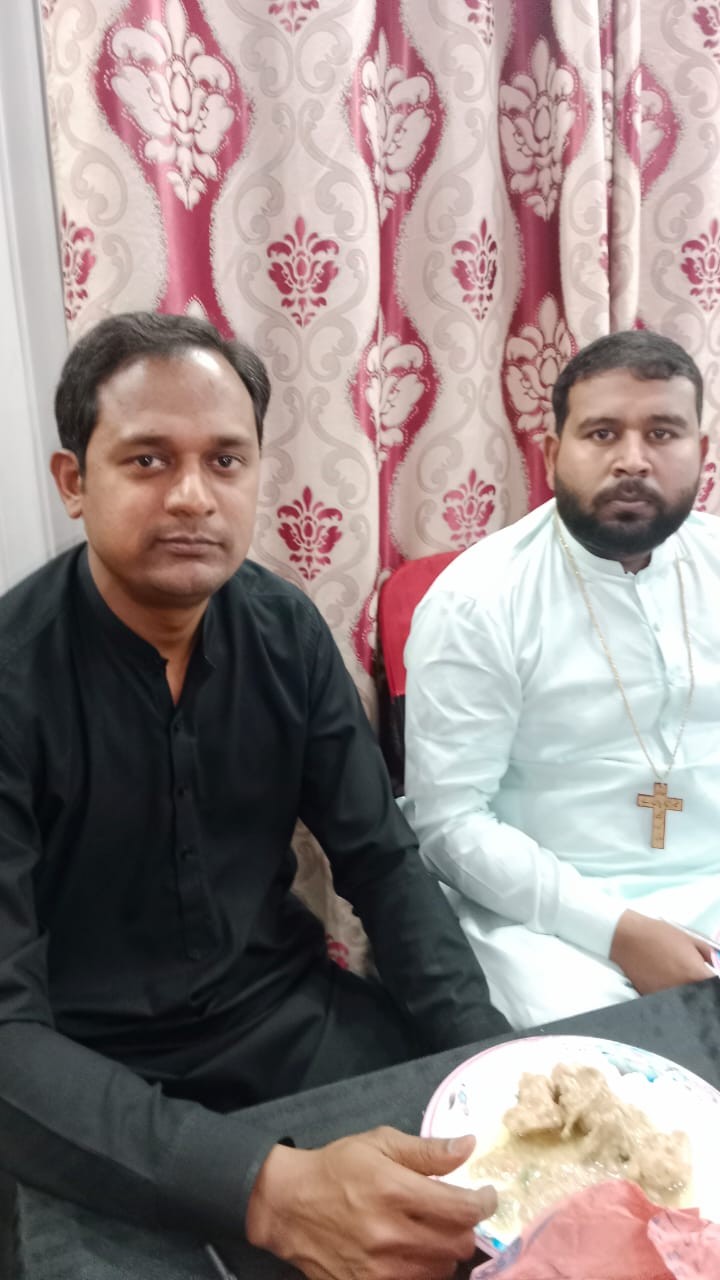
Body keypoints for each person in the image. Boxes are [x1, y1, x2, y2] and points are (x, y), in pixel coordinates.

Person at [0, 312, 509, 1280]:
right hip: (86, 1070)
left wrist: (489, 1063)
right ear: (74, 481)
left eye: (226, 461)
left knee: (483, 1224)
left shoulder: (286, 631)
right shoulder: (14, 677)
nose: (193, 495)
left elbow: (383, 864)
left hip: (286, 1020)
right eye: (148, 460)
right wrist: (264, 1190)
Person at [403, 329, 720, 1030]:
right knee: (608, 1062)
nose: (632, 460)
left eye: (662, 433)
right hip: (545, 922)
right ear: (552, 455)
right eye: (602, 433)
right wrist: (620, 932)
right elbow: (450, 824)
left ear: (701, 451)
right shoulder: (478, 600)